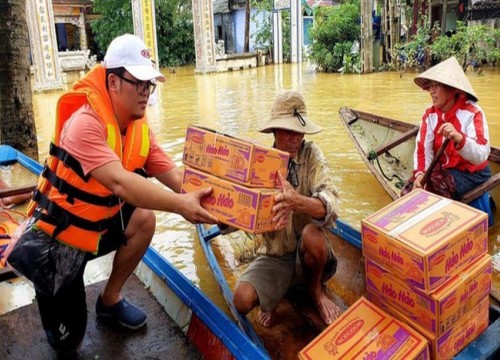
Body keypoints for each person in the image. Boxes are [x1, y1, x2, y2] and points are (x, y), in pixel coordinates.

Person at [13, 34, 218, 355]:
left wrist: (222, 207)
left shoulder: (138, 128)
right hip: (60, 241)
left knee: (144, 220)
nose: (145, 92)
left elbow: (176, 177)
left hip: (95, 228)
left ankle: (109, 301)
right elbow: (121, 183)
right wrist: (181, 206)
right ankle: (49, 291)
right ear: (112, 81)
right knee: (69, 345)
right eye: (137, 83)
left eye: (149, 85)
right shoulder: (85, 124)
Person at [232, 90, 341, 327]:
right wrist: (224, 213)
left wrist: (296, 202)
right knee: (241, 299)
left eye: (299, 131)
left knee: (313, 234)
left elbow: (331, 204)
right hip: (276, 255)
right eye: (288, 131)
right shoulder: (259, 163)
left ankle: (315, 290)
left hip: (310, 253)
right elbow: (240, 215)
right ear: (274, 131)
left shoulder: (312, 155)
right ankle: (279, 292)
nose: (295, 138)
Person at [408, 56, 491, 200]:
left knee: (436, 184)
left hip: (472, 173)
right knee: (411, 187)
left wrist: (460, 139)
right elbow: (423, 150)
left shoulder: (473, 113)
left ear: (452, 90)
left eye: (436, 86)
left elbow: (482, 153)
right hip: (445, 169)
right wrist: (420, 174)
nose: (431, 91)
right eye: (430, 86)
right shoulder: (429, 115)